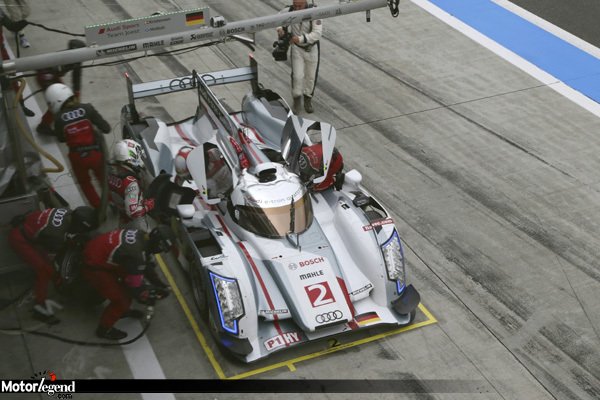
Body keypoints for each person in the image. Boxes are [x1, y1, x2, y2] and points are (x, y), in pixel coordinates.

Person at [8, 206, 99, 324]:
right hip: (20, 240)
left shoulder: (67, 211)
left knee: (47, 267)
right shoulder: (57, 233)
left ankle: (55, 282)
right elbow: (55, 252)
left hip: (27, 225)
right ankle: (39, 309)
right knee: (43, 271)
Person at [82, 226, 172, 340]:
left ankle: (121, 312)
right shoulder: (137, 254)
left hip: (100, 252)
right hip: (94, 265)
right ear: (157, 244)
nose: (161, 251)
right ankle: (104, 329)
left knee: (131, 281)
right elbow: (135, 288)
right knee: (123, 299)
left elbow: (145, 265)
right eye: (162, 248)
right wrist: (148, 295)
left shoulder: (141, 235)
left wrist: (159, 284)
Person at [46, 83, 111, 208]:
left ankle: (98, 209)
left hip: (77, 157)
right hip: (95, 153)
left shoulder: (59, 119)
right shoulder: (87, 108)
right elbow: (106, 128)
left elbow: (61, 139)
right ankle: (112, 202)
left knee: (85, 183)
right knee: (104, 179)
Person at [276, 0, 322, 114]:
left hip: (312, 49)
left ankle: (308, 98)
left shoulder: (316, 12)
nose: (297, 9)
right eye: (295, 5)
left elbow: (317, 34)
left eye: (299, 6)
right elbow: (275, 19)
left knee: (311, 76)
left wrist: (300, 39)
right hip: (297, 49)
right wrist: (280, 29)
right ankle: (296, 98)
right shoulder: (289, 10)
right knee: (297, 75)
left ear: (305, 3)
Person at [108, 139, 155, 230]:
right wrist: (149, 205)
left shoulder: (110, 171)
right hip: (135, 224)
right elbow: (133, 212)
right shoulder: (131, 182)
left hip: (120, 217)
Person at [0, 9, 32, 116]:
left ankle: (20, 105)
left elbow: (12, 26)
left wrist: (21, 24)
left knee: (13, 79)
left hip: (2, 52)